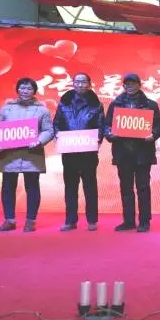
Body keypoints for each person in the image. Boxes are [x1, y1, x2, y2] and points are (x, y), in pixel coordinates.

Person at [0, 78, 54, 232]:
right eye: (22, 88)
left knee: (32, 187)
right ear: (18, 90)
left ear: (34, 91)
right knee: (8, 187)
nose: (25, 91)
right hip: (9, 154)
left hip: (32, 153)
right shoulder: (6, 109)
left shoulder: (42, 110)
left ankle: (31, 221)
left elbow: (48, 131)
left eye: (29, 89)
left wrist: (39, 141)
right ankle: (9, 220)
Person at [104, 73, 160, 233]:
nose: (129, 86)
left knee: (143, 187)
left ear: (139, 85)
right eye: (127, 84)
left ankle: (144, 221)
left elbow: (158, 126)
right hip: (123, 153)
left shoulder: (150, 105)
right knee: (126, 188)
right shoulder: (115, 104)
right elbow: (107, 125)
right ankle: (128, 221)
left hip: (143, 152)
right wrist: (110, 134)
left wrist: (153, 135)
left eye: (132, 83)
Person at [53, 73, 105, 232]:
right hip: (69, 152)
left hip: (88, 153)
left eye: (83, 82)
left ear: (89, 84)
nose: (80, 85)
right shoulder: (64, 102)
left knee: (90, 187)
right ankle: (70, 220)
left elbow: (101, 126)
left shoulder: (96, 104)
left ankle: (92, 220)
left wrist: (97, 139)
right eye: (77, 82)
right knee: (70, 187)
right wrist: (57, 135)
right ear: (73, 84)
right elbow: (57, 123)